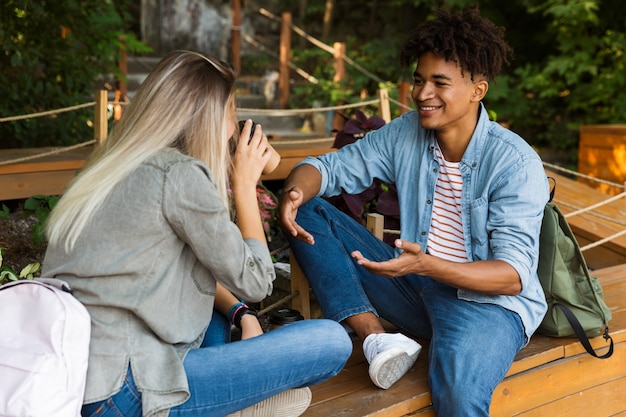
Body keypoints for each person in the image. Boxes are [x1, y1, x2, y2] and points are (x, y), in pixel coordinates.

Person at [42, 50, 352, 417]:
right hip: (127, 389)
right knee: (330, 340)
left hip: (79, 378)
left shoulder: (107, 169)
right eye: (231, 113)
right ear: (208, 118)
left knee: (218, 316)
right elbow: (256, 282)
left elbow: (205, 277)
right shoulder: (180, 175)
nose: (234, 129)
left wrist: (242, 314)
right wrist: (245, 182)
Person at [279, 7, 549, 416]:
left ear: (478, 89)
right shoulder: (406, 132)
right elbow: (328, 168)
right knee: (307, 210)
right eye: (419, 80)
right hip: (415, 285)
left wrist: (426, 265)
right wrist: (296, 190)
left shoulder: (514, 162)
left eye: (440, 83)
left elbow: (511, 277)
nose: (423, 94)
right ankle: (377, 340)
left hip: (486, 307)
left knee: (458, 399)